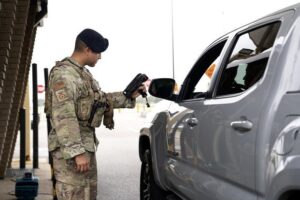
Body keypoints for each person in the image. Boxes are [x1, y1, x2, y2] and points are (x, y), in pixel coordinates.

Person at [44, 28, 146, 200]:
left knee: (87, 195)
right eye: (98, 52)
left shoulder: (83, 74)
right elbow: (64, 116)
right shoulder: (64, 75)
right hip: (72, 154)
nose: (100, 57)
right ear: (87, 50)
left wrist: (128, 96)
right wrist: (77, 153)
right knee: (74, 195)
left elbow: (99, 100)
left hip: (85, 147)